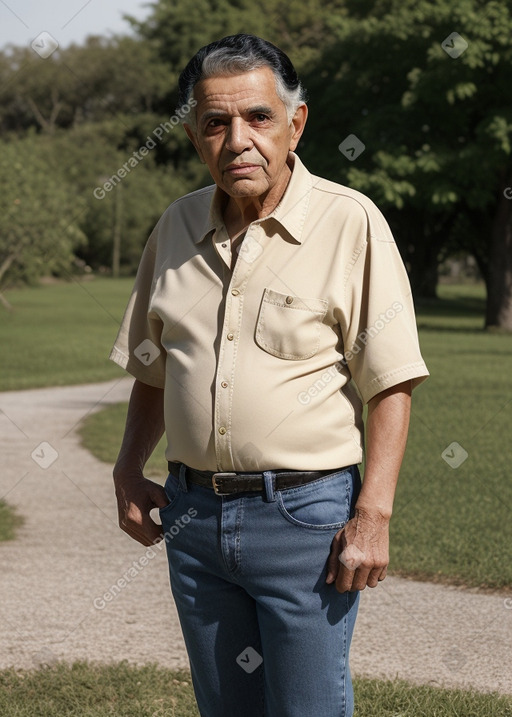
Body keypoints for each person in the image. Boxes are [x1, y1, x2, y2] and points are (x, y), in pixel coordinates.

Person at [110, 33, 429, 717]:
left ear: (296, 123)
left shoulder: (350, 223)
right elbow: (152, 369)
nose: (237, 140)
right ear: (195, 135)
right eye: (215, 123)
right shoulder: (175, 227)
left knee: (308, 707)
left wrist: (373, 512)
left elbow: (391, 382)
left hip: (306, 520)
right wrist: (127, 467)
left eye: (257, 117)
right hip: (191, 517)